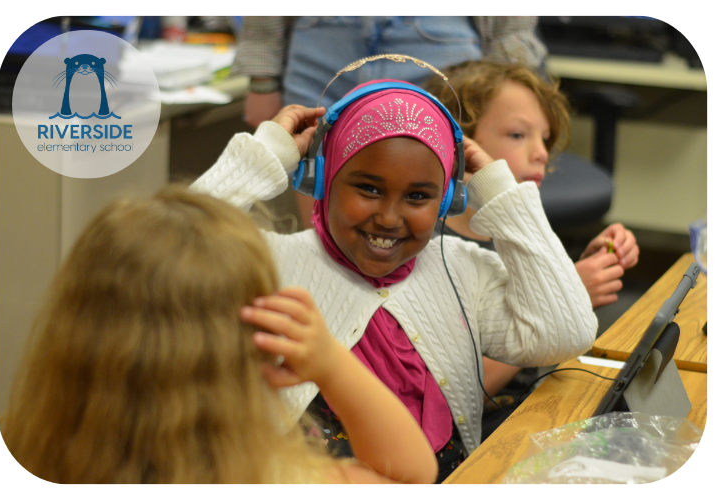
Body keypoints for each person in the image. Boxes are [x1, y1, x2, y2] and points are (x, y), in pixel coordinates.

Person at [190, 78, 598, 481]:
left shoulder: (461, 270)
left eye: (418, 196)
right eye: (368, 188)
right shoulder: (272, 263)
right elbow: (166, 255)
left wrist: (501, 195)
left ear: (448, 199)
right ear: (322, 179)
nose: (388, 217)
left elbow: (566, 332)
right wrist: (264, 156)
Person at [0, 186, 437, 484]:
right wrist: (333, 365)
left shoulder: (17, 455)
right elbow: (412, 474)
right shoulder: (281, 479)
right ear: (257, 340)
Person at [425, 61, 640, 437]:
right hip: (483, 433)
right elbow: (453, 397)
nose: (541, 152)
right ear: (459, 145)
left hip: (540, 401)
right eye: (518, 135)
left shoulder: (516, 231)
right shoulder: (434, 254)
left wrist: (575, 273)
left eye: (545, 138)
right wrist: (571, 294)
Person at [233, 16, 548, 229]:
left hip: (438, 40)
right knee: (321, 228)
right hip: (320, 38)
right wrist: (262, 75)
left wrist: (514, 72)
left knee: (422, 222)